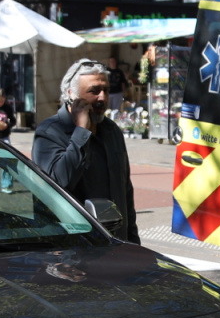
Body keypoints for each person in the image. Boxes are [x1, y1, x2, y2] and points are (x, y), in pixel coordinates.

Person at [33, 59, 140, 243]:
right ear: (71, 95)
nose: (102, 98)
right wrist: (81, 132)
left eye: (105, 90)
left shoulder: (111, 131)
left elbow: (125, 192)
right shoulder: (50, 132)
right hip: (75, 249)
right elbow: (59, 183)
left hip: (116, 244)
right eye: (94, 91)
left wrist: (132, 241)